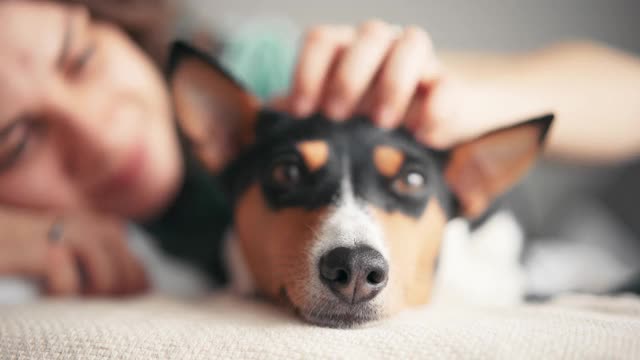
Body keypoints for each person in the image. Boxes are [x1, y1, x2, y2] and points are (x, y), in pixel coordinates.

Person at [2, 0, 640, 297]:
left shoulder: (278, 87)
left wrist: (453, 100)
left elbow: (626, 93)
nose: (103, 130)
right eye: (14, 142)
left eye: (79, 57)